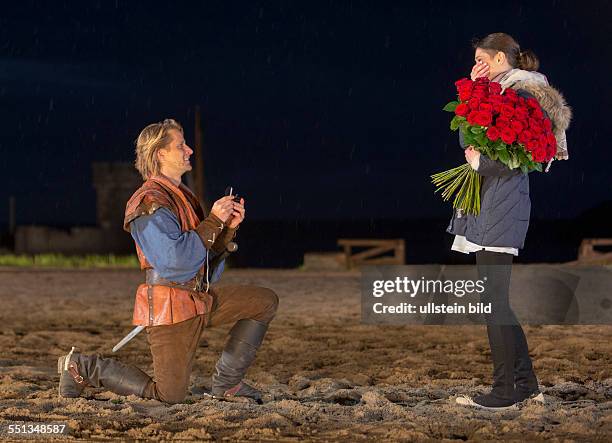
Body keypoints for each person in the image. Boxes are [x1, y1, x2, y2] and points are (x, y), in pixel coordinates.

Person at [58, 118, 279, 404]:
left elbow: (203, 265)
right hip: (169, 308)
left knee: (263, 301)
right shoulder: (148, 201)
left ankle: (227, 385)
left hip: (199, 299)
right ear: (160, 154)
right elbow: (176, 264)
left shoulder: (183, 197)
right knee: (168, 396)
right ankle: (83, 366)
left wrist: (227, 230)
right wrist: (213, 221)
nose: (189, 150)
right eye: (180, 145)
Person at [447, 33, 571, 410]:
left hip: (501, 205)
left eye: (482, 60)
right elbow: (471, 138)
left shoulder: (524, 92)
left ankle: (504, 392)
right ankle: (527, 387)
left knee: (494, 303)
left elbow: (525, 155)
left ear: (500, 57)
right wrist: (473, 93)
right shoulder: (498, 89)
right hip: (488, 204)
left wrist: (480, 163)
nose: (478, 66)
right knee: (496, 301)